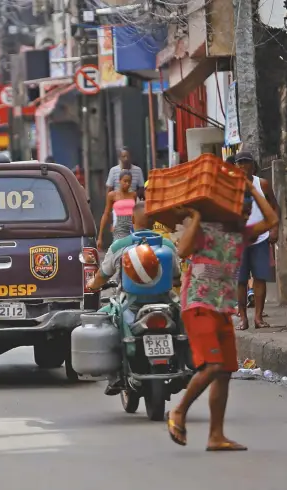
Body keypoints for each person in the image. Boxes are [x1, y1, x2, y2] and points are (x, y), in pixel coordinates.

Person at [166, 181, 278, 451]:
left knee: (226, 371)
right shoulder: (205, 229)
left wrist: (252, 191)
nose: (246, 212)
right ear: (227, 209)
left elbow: (272, 219)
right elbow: (181, 251)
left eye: (248, 209)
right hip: (198, 305)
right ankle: (179, 412)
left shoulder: (242, 234)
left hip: (222, 309)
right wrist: (195, 216)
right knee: (214, 366)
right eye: (242, 207)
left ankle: (216, 436)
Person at [87, 201, 180, 394]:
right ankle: (184, 366)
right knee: (185, 319)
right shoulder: (168, 246)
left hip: (130, 305)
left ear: (131, 220)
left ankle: (114, 378)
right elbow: (177, 276)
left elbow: (102, 276)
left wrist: (92, 285)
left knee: (104, 319)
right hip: (166, 303)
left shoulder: (120, 246)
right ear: (154, 221)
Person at [233, 151, 279, 330]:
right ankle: (243, 318)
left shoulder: (262, 184)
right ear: (235, 166)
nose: (243, 166)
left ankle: (258, 318)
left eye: (247, 163)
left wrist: (274, 228)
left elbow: (275, 206)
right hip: (239, 240)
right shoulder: (229, 186)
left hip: (261, 237)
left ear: (253, 165)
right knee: (241, 280)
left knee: (260, 278)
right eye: (240, 163)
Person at [98, 170, 137, 250]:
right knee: (118, 252)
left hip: (132, 228)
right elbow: (106, 214)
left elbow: (135, 213)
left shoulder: (133, 195)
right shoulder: (112, 195)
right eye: (125, 181)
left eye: (129, 182)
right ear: (119, 181)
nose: (127, 184)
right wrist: (100, 237)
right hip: (119, 228)